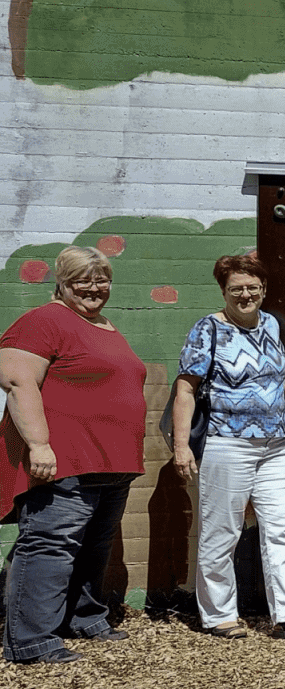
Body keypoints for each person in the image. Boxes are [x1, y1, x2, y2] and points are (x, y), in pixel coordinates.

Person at [0, 246, 144, 665]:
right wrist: (40, 444)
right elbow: (16, 381)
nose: (94, 287)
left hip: (111, 462)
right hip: (66, 459)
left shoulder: (103, 325)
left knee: (92, 547)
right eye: (82, 279)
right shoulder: (44, 320)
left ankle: (82, 618)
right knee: (50, 544)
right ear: (61, 283)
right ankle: (31, 641)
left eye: (101, 279)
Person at [169, 254, 285, 641]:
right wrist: (182, 445)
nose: (245, 294)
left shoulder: (270, 324)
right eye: (236, 288)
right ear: (223, 290)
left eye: (252, 287)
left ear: (264, 289)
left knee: (282, 529)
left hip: (274, 445)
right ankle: (219, 615)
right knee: (222, 531)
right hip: (227, 444)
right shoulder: (208, 330)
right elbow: (186, 390)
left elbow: (272, 382)